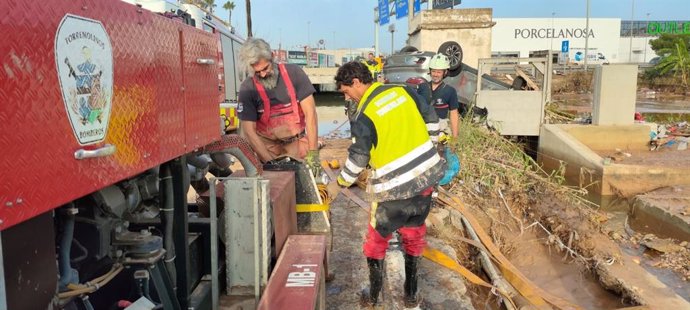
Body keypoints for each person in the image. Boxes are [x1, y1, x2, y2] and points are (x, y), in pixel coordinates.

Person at [331, 61, 445, 308]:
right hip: (426, 179)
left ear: (356, 82)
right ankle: (411, 295)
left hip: (393, 190)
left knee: (376, 240)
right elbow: (433, 121)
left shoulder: (364, 115)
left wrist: (341, 182)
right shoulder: (402, 91)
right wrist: (430, 148)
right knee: (414, 234)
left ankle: (372, 295)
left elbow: (359, 158)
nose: (346, 96)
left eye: (345, 91)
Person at [237, 38, 321, 174]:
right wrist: (271, 163)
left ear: (272, 57)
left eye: (265, 68)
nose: (263, 74)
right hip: (267, 148)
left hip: (297, 145)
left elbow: (311, 114)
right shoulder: (248, 88)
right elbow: (249, 132)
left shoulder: (295, 74)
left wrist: (313, 153)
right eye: (257, 72)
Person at [416, 53, 460, 137]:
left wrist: (455, 137)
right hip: (423, 131)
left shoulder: (450, 91)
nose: (435, 74)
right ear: (430, 71)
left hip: (441, 132)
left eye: (439, 72)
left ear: (445, 72)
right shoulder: (421, 87)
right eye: (433, 71)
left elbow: (453, 114)